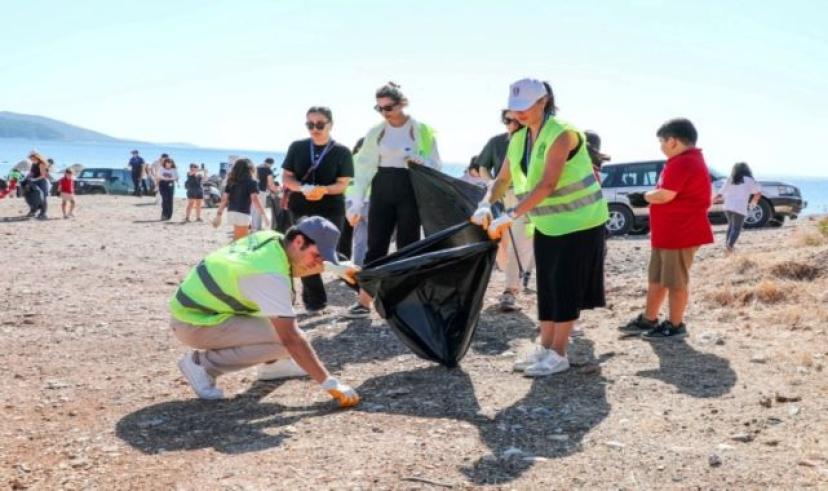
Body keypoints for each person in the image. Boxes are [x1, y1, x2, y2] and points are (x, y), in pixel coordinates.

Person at [472, 78, 609, 376]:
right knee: (547, 287)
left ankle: (559, 353)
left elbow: (548, 183)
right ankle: (545, 348)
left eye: (524, 108)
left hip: (580, 222)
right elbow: (503, 178)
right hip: (548, 223)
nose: (518, 115)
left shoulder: (562, 134)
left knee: (566, 286)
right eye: (514, 110)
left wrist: (511, 213)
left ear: (543, 101)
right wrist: (486, 201)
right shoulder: (519, 138)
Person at [169, 217, 360, 406]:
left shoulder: (273, 239)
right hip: (194, 322)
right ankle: (201, 365)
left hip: (199, 308)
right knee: (287, 341)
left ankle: (273, 365)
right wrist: (330, 384)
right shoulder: (267, 274)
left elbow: (294, 266)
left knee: (279, 322)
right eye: (317, 255)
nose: (318, 262)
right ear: (299, 241)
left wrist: (338, 268)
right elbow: (291, 339)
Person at [344, 82, 441, 318]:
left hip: (410, 187)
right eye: (379, 108)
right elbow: (364, 167)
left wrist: (421, 161)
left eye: (388, 107)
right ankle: (364, 301)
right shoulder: (377, 132)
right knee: (376, 245)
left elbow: (436, 164)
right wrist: (355, 202)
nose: (384, 112)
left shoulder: (422, 130)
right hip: (382, 188)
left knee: (408, 245)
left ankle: (407, 301)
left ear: (402, 104)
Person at [620, 118, 714, 339]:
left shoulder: (684, 162)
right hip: (669, 233)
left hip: (681, 232)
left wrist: (643, 197)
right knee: (657, 278)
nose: (661, 146)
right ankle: (649, 318)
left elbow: (665, 194)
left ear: (672, 140)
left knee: (675, 281)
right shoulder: (682, 161)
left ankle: (675, 324)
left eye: (662, 141)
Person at [281, 107, 353, 313]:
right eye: (310, 124)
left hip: (331, 208)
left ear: (331, 124)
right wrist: (302, 188)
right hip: (300, 206)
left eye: (320, 124)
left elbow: (342, 184)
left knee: (329, 255)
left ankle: (361, 287)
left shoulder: (342, 151)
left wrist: (323, 190)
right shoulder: (297, 147)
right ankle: (316, 302)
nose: (315, 128)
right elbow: (287, 177)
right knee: (303, 253)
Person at [477, 110, 533, 312]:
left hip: (530, 199)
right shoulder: (497, 142)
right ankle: (518, 277)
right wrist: (489, 184)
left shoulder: (535, 141)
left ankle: (510, 290)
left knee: (519, 244)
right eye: (508, 120)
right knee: (506, 246)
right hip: (504, 197)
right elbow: (482, 166)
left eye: (517, 119)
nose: (512, 124)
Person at [213, 158, 269, 240]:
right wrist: (264, 215)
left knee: (237, 239)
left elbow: (224, 199)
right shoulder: (252, 182)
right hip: (243, 213)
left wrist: (219, 215)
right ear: (250, 168)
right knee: (241, 241)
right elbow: (255, 200)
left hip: (231, 212)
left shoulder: (231, 181)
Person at [714, 162, 761, 253]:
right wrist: (752, 203)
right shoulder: (749, 180)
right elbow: (758, 192)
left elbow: (720, 193)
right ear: (747, 170)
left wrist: (710, 202)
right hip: (739, 207)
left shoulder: (730, 179)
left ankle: (728, 247)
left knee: (731, 226)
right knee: (737, 228)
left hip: (728, 206)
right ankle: (730, 246)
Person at [252, 158, 279, 231]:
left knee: (253, 209)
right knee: (260, 209)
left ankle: (253, 226)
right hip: (261, 191)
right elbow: (270, 183)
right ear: (271, 164)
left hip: (252, 190)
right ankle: (257, 228)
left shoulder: (256, 167)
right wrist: (276, 191)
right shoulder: (268, 169)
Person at [27, 150, 51, 220]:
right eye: (29, 157)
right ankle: (34, 211)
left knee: (43, 197)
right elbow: (32, 173)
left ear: (35, 156)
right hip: (35, 182)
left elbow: (43, 175)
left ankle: (43, 213)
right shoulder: (33, 164)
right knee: (33, 197)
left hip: (42, 182)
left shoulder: (41, 164)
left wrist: (35, 179)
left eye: (31, 157)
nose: (30, 158)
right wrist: (28, 176)